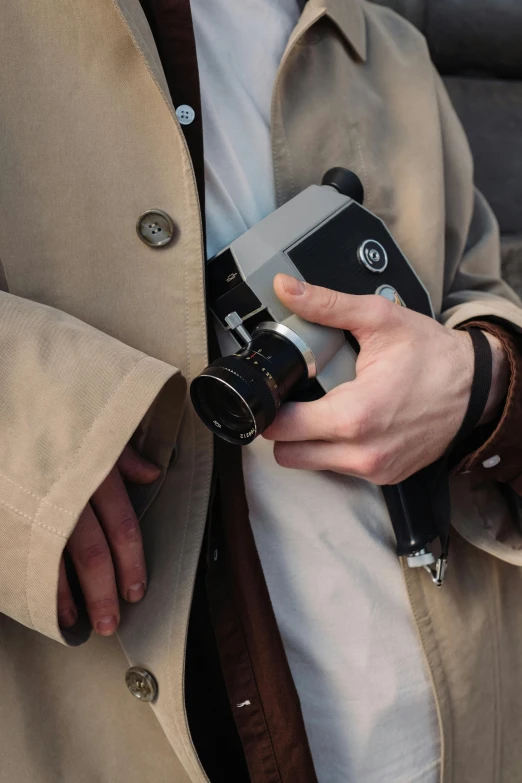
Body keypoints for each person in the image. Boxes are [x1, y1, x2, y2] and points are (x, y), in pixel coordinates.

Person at [1, 0, 522, 781]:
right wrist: (37, 428)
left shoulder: (387, 46)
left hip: (453, 726)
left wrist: (480, 375)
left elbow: (485, 279)